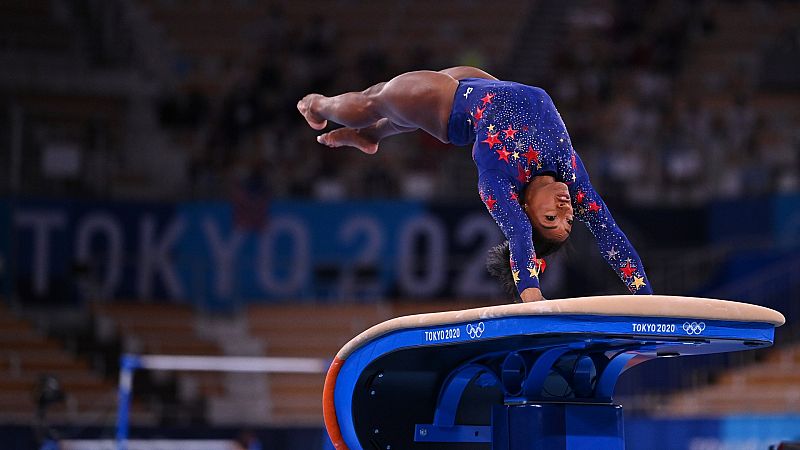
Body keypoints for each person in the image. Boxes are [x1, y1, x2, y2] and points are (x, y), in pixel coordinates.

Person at [297, 66, 652, 302]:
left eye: (551, 220)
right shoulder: (572, 177)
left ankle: (319, 105)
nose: (565, 211)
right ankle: (372, 136)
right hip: (485, 85)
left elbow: (518, 236)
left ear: (526, 210)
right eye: (568, 220)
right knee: (393, 104)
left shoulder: (499, 183)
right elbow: (611, 236)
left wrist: (530, 293)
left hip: (446, 103)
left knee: (372, 100)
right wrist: (647, 300)